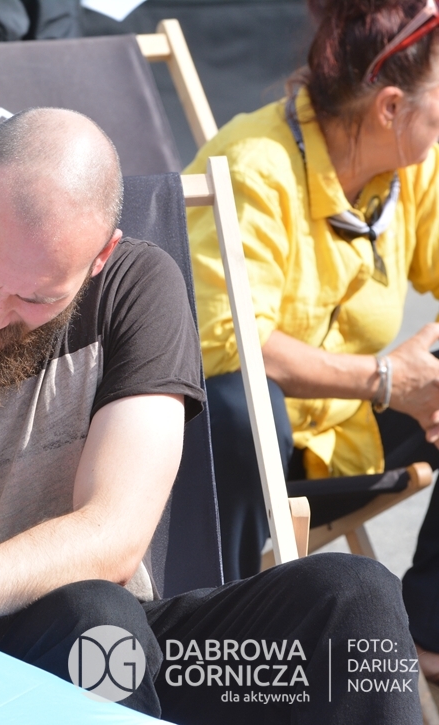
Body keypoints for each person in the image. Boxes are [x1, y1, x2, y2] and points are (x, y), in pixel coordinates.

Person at [0, 107, 423, 722]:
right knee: (96, 619)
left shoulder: (133, 288)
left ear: (100, 257)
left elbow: (114, 534)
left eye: (37, 298)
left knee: (356, 602)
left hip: (134, 663)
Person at [185, 0, 439, 678]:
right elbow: (229, 343)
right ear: (391, 107)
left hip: (343, 437)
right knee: (242, 402)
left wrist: (415, 379)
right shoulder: (255, 165)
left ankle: (429, 635)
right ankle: (219, 640)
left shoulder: (411, 168)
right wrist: (387, 380)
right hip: (233, 458)